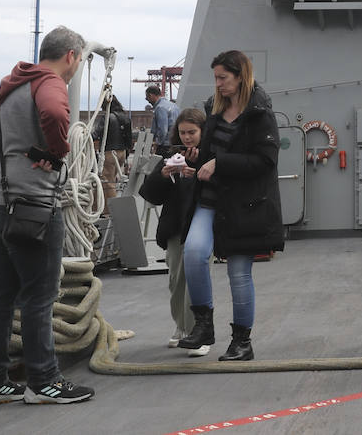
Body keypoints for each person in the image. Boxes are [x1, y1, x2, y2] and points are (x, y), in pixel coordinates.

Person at [0, 25, 95, 407]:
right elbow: (56, 112)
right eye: (79, 61)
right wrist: (55, 152)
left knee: (1, 295)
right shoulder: (50, 80)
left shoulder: (10, 88)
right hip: (33, 207)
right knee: (40, 297)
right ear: (71, 56)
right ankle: (44, 382)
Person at [176, 50, 285, 362]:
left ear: (240, 77)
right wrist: (199, 157)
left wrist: (219, 162)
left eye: (223, 77)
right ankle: (204, 326)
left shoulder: (260, 113)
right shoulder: (213, 108)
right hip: (211, 198)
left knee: (239, 273)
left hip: (243, 205)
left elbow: (265, 160)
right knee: (194, 252)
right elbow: (211, 152)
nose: (218, 84)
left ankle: (242, 342)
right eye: (216, 78)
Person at [138, 108, 208, 356]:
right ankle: (182, 326)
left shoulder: (209, 156)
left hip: (201, 224)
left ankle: (198, 332)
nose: (187, 137)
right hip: (176, 226)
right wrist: (165, 176)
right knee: (176, 281)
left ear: (202, 132)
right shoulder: (171, 155)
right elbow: (150, 194)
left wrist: (196, 174)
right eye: (183, 132)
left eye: (192, 132)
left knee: (195, 279)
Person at [97, 96, 133, 215]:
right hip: (122, 153)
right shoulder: (125, 117)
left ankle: (112, 212)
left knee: (108, 183)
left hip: (109, 153)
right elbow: (129, 138)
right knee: (112, 179)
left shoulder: (107, 117)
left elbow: (97, 133)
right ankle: (105, 208)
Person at [146, 85, 181, 156]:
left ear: (151, 95)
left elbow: (163, 130)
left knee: (159, 166)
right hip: (175, 144)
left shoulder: (160, 108)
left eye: (147, 97)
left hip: (165, 146)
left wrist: (157, 144)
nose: (147, 100)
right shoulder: (174, 106)